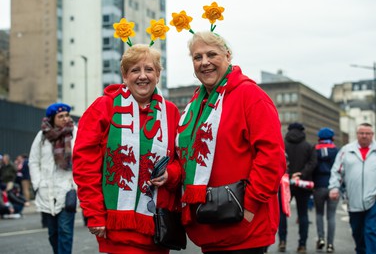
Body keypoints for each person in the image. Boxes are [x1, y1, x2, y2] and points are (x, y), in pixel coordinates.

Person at [175, 30, 286, 253]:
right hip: (210, 225)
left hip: (243, 227)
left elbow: (272, 158)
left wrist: (249, 207)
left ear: (228, 55)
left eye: (211, 54)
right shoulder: (197, 103)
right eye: (197, 57)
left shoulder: (250, 95)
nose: (204, 62)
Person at [72, 44, 182, 254]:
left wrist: (171, 174)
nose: (143, 76)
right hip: (117, 229)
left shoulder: (171, 112)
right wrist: (94, 213)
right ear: (124, 75)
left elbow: (182, 160)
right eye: (135, 70)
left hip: (158, 227)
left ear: (158, 74)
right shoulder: (103, 107)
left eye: (149, 70)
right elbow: (85, 165)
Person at [329, 123, 376, 254]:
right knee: (357, 231)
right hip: (353, 199)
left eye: (367, 133)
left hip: (375, 198)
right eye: (361, 133)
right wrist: (334, 188)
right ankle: (361, 250)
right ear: (357, 134)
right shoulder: (346, 150)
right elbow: (336, 171)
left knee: (371, 230)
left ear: (372, 135)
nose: (364, 136)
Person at [29, 102, 77, 254]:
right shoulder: (42, 136)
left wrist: (75, 186)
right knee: (53, 233)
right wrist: (37, 184)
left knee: (65, 231)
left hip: (67, 190)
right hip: (46, 192)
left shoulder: (75, 133)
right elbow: (33, 161)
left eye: (67, 115)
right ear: (52, 118)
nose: (65, 119)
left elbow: (82, 160)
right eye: (60, 116)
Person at [280, 122, 317, 253]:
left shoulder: (282, 145)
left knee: (283, 213)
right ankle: (302, 245)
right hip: (303, 184)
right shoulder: (308, 146)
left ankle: (282, 241)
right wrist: (301, 174)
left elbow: (279, 161)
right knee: (303, 214)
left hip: (285, 184)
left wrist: (289, 175)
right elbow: (313, 163)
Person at [312, 127, 339, 252]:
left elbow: (311, 167)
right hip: (333, 187)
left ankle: (321, 238)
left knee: (319, 214)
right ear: (332, 138)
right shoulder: (336, 151)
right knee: (331, 216)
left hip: (318, 186)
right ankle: (330, 244)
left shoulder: (314, 151)